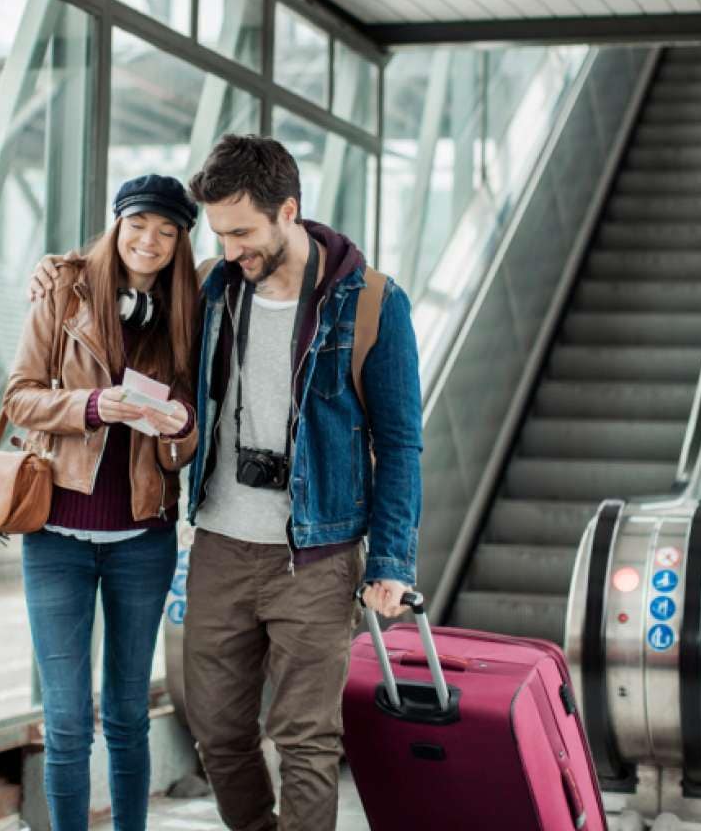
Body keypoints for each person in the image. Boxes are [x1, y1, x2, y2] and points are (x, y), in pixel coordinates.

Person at [31, 135, 423, 831]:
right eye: (219, 233)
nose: (231, 247)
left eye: (242, 232)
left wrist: (392, 560)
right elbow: (124, 279)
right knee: (217, 727)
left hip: (318, 554)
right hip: (218, 543)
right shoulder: (212, 287)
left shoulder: (370, 304)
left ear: (288, 211)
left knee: (305, 738)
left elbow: (399, 442)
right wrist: (56, 272)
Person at [3, 174, 201, 831]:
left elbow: (194, 428)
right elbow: (20, 397)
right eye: (140, 225)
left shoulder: (184, 314)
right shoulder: (64, 291)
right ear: (118, 226)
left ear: (179, 245)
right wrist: (90, 405)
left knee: (126, 714)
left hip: (143, 540)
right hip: (56, 536)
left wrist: (180, 430)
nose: (151, 241)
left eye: (167, 232)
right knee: (64, 720)